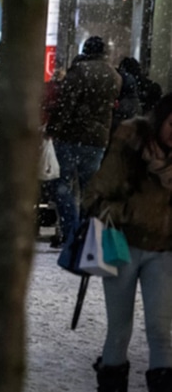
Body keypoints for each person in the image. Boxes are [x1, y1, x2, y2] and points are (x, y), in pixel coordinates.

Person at [82, 93, 172, 391]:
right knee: (120, 330)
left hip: (164, 250)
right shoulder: (131, 142)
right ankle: (111, 384)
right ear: (160, 119)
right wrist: (128, 212)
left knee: (161, 331)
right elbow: (95, 198)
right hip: (122, 245)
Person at [45, 35, 122, 249]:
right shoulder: (114, 75)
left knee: (61, 184)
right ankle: (91, 234)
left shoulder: (79, 71)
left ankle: (72, 230)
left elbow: (66, 104)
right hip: (98, 139)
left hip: (72, 136)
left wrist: (53, 128)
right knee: (90, 188)